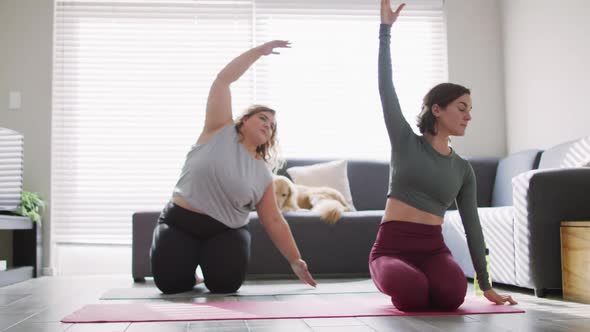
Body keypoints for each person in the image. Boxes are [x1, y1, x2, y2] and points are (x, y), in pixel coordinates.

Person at [369, 0, 518, 311]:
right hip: (391, 249)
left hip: (433, 249)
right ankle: (399, 277)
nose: (468, 116)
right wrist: (385, 32)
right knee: (412, 293)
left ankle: (433, 281)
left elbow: (472, 225)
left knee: (451, 295)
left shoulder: (463, 170)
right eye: (461, 108)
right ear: (437, 109)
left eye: (470, 110)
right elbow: (386, 87)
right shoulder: (405, 142)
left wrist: (486, 285)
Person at [150, 41, 317, 294]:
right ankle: (191, 274)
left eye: (271, 125)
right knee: (170, 285)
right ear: (244, 120)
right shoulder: (219, 129)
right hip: (179, 223)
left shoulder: (263, 172)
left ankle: (209, 269)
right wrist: (257, 52)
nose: (267, 125)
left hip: (224, 231)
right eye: (262, 118)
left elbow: (273, 220)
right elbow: (222, 81)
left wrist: (295, 260)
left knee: (225, 286)